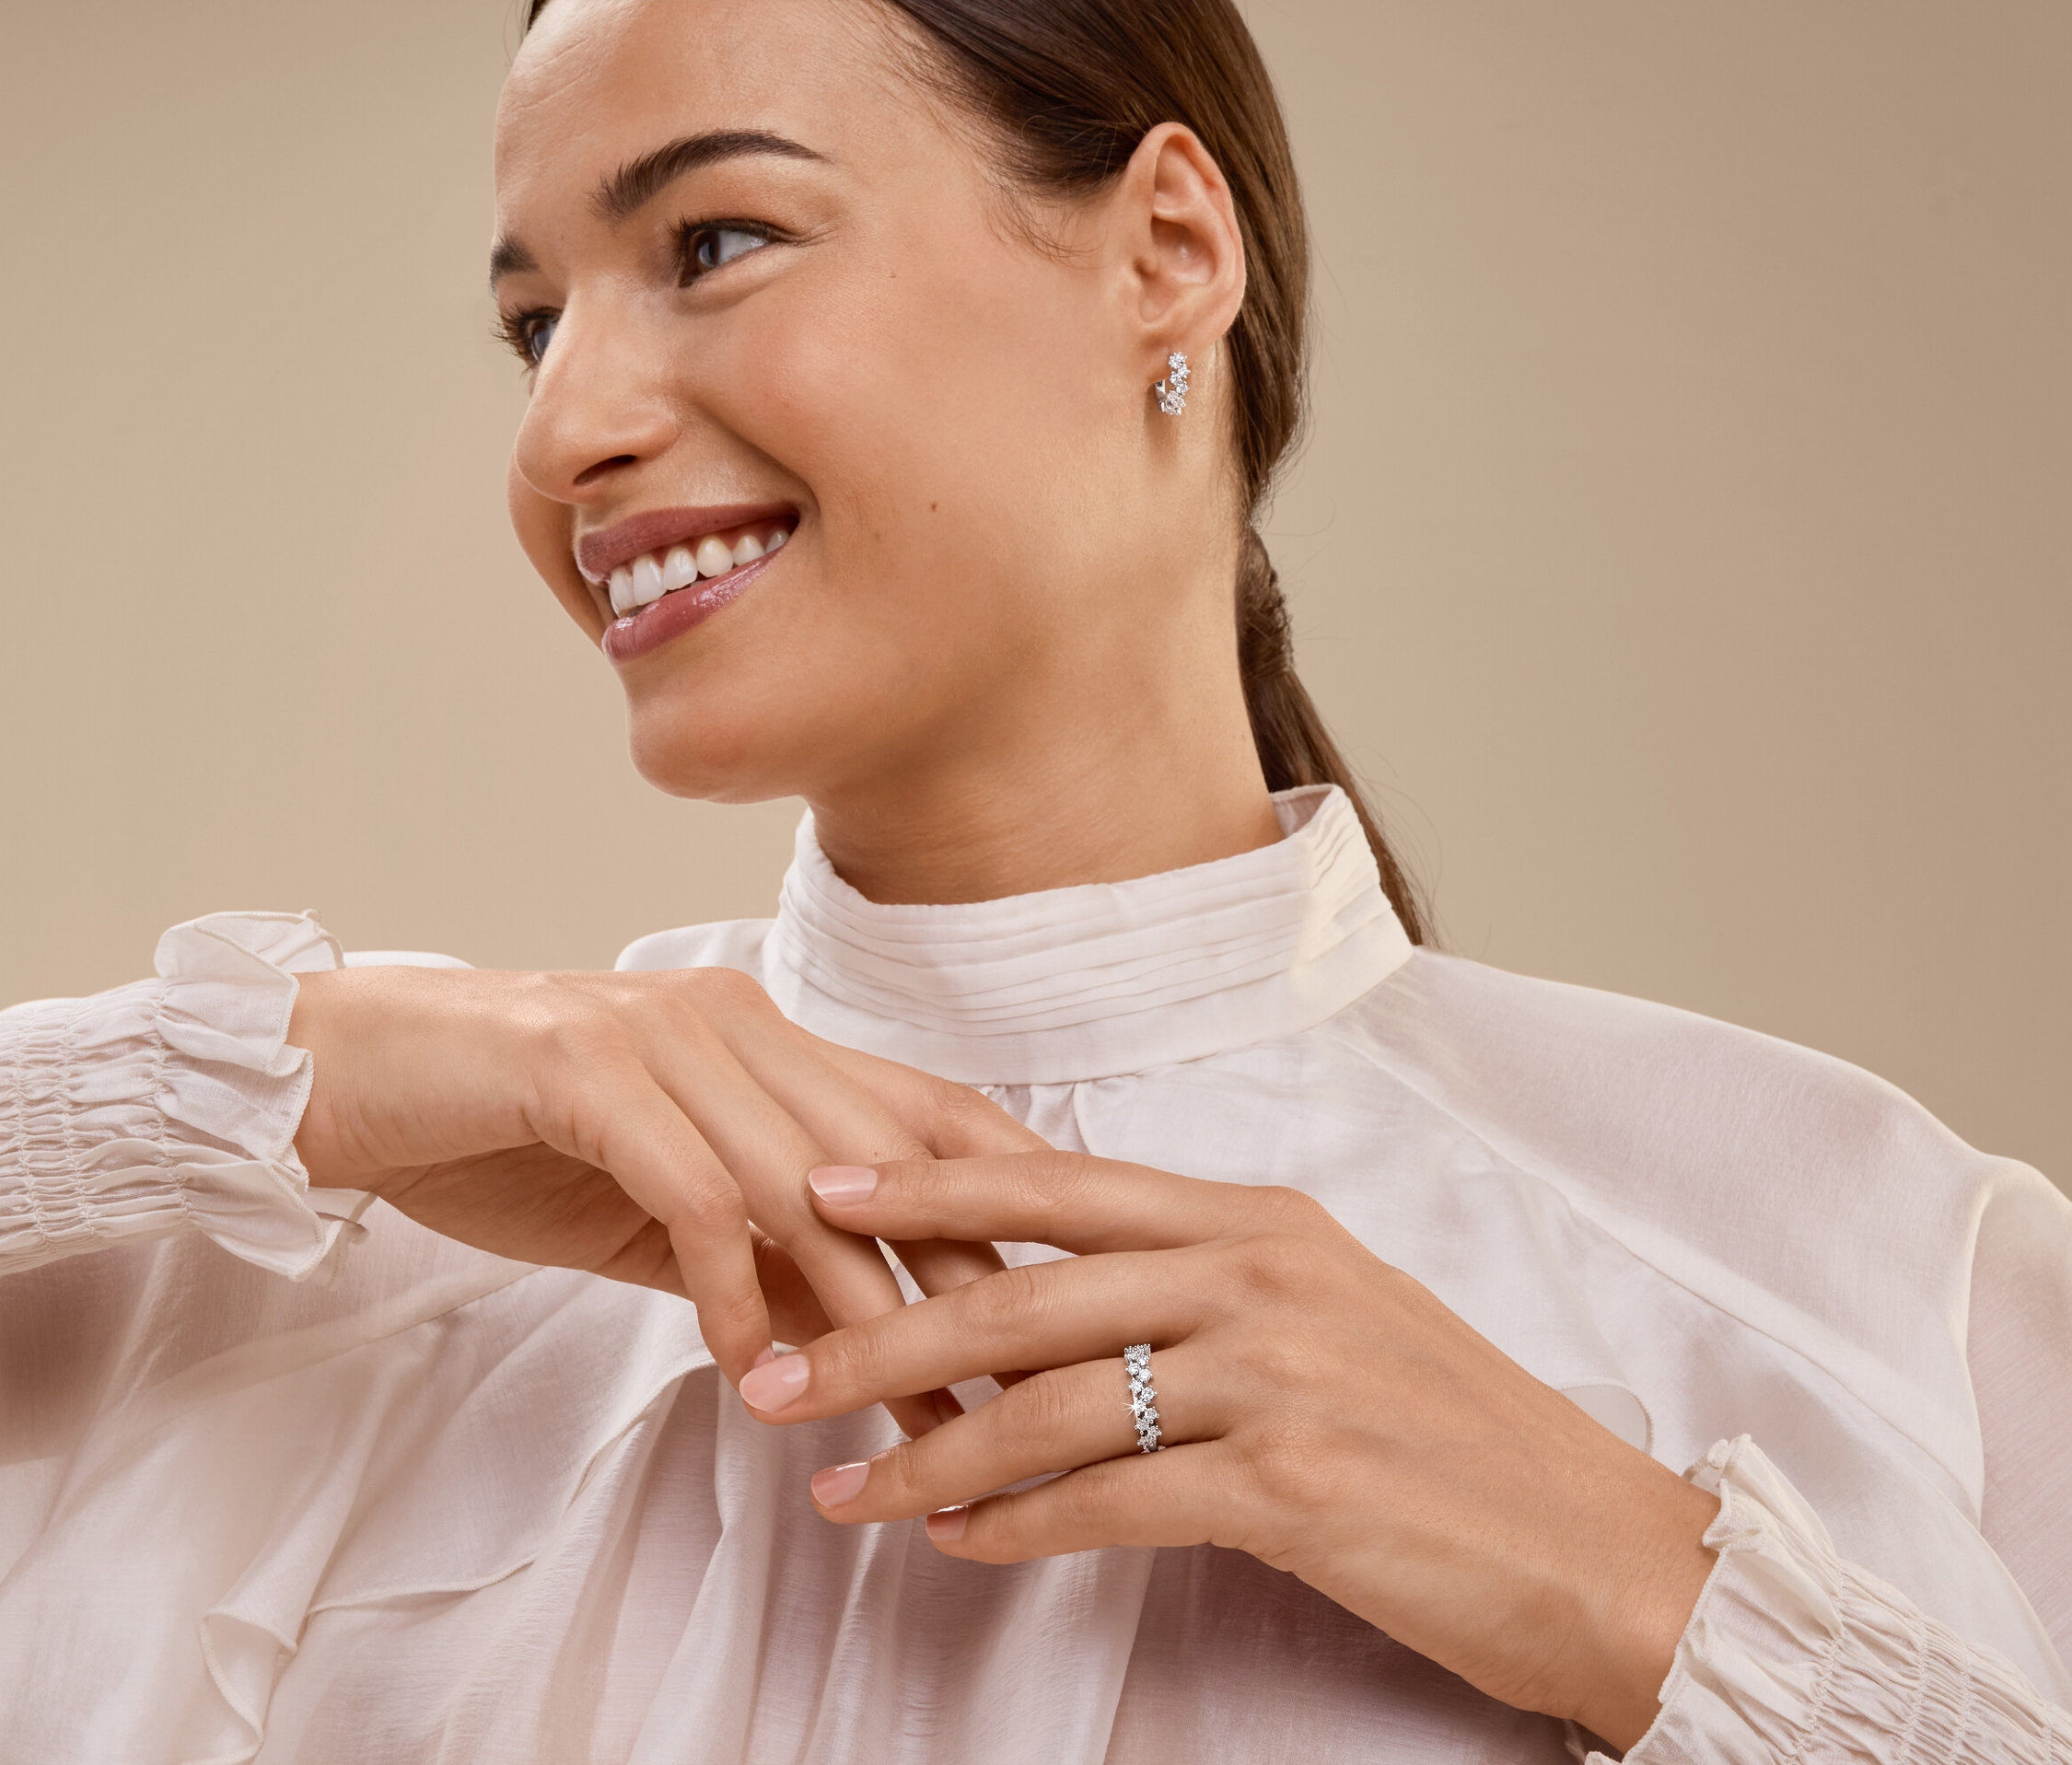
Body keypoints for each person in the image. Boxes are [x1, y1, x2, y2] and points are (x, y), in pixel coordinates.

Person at [2, 0, 2066, 1758]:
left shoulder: (1869, 1268)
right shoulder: (331, 1239)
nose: (568, 429)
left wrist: (1647, 1592)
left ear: (1167, 246)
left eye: (713, 238)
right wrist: (285, 1061)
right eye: (533, 321)